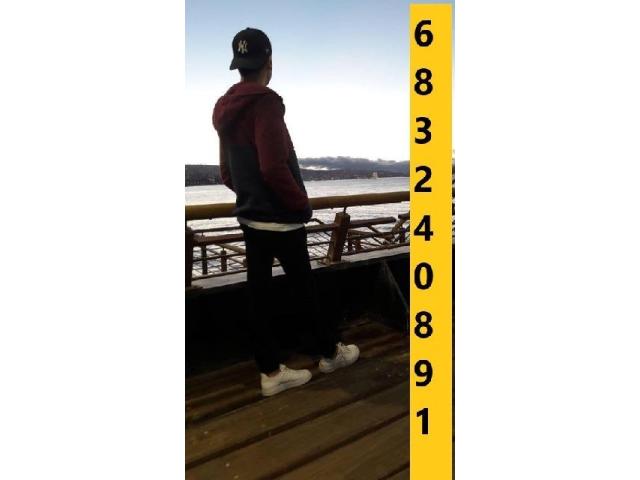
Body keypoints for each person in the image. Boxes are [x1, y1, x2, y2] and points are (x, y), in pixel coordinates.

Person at [212, 28, 359, 397]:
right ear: (269, 62)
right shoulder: (267, 103)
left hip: (250, 217)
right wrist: (300, 205)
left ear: (238, 65)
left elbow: (226, 172)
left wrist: (250, 197)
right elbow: (273, 167)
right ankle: (329, 354)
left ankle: (271, 372)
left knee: (258, 295)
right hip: (281, 219)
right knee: (305, 290)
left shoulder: (225, 108)